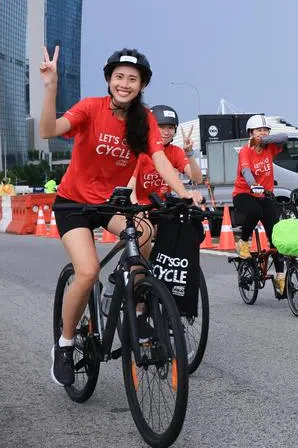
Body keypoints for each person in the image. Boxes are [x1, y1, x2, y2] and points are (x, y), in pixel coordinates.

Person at [39, 46, 201, 388]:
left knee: (145, 233)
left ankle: (132, 301)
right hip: (73, 204)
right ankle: (65, 344)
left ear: (142, 85)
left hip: (110, 203)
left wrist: (184, 192)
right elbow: (49, 130)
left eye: (132, 79)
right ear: (109, 80)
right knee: (87, 272)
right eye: (119, 77)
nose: (124, 84)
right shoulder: (90, 108)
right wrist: (51, 86)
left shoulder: (145, 121)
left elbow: (159, 159)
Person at [232, 115, 290, 293]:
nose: (263, 133)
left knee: (276, 238)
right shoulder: (245, 151)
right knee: (255, 211)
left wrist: (264, 139)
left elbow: (284, 137)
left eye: (265, 130)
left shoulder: (269, 148)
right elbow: (246, 171)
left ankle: (280, 277)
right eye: (259, 130)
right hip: (244, 194)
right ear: (250, 132)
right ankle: (243, 242)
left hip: (265, 195)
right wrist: (253, 185)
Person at [134, 105, 203, 204]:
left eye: (170, 128)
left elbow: (197, 179)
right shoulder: (138, 151)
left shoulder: (175, 151)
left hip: (163, 206)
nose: (166, 132)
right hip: (138, 206)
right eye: (161, 127)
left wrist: (189, 153)